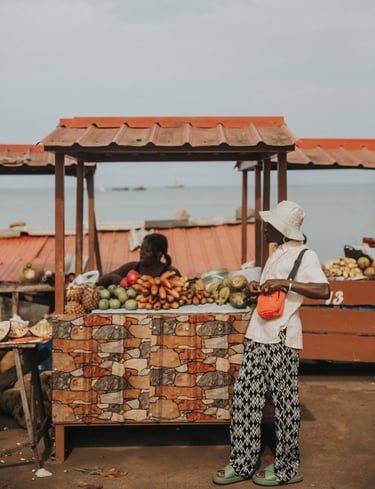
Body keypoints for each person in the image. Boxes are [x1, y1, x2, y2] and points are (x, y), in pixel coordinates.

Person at [212, 200, 330, 487]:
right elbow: (271, 292)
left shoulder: (306, 255)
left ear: (282, 229)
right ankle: (242, 462)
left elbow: (323, 290)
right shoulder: (277, 253)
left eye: (269, 224)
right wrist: (259, 288)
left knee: (285, 404)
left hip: (282, 337)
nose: (264, 227)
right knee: (244, 401)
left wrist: (284, 284)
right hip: (257, 335)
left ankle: (288, 467)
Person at [97, 232, 181, 287]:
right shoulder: (132, 267)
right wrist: (113, 278)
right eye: (141, 249)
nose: (142, 253)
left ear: (159, 253)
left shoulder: (171, 272)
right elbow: (102, 279)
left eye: (147, 250)